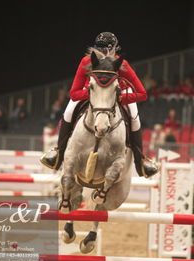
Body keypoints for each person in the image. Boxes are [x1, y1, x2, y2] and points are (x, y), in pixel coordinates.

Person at [40, 32, 158, 178]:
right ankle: (58, 153)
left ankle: (141, 161)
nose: (102, 52)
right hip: (91, 90)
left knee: (134, 117)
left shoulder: (122, 65)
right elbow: (73, 93)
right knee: (69, 111)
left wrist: (119, 98)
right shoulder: (86, 62)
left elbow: (142, 93)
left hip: (117, 93)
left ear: (113, 49)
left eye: (105, 49)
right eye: (100, 48)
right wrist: (94, 95)